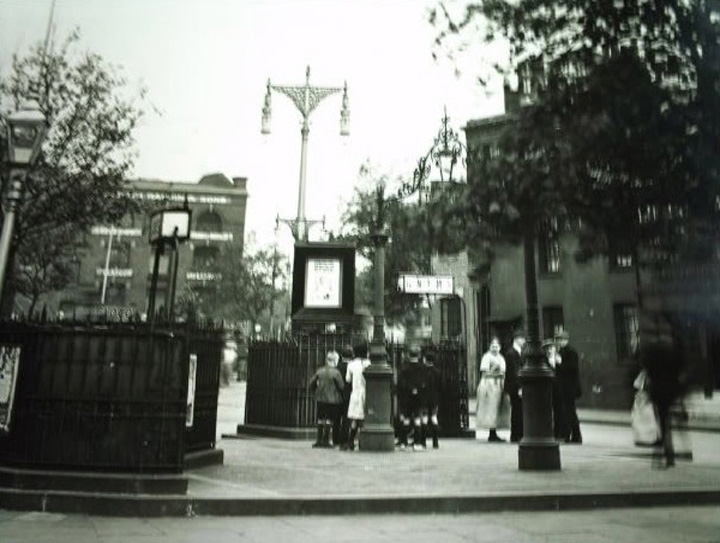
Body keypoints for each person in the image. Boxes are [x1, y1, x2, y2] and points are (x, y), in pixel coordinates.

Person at [639, 310, 686, 468]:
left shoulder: (653, 350)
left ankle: (665, 453)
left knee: (663, 422)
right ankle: (670, 453)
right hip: (673, 390)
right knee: (669, 422)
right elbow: (681, 368)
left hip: (659, 391)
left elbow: (647, 368)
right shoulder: (675, 348)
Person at [308, 350, 344, 448]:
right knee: (329, 419)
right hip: (333, 399)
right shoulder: (336, 373)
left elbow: (311, 383)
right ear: (335, 360)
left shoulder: (320, 371)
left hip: (320, 398)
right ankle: (326, 440)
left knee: (320, 418)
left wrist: (315, 392)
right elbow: (341, 387)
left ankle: (318, 440)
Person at [476, 337, 507, 442]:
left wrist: (498, 373)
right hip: (489, 385)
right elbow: (485, 373)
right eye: (493, 346)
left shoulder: (501, 358)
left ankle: (495, 431)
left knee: (498, 408)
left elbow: (503, 372)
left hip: (498, 384)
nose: (495, 349)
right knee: (490, 408)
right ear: (490, 347)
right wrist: (495, 371)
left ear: (500, 347)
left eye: (497, 346)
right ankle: (491, 432)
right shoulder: (486, 357)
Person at [397, 344, 428, 451]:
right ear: (419, 355)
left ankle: (403, 443)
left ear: (408, 355)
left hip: (406, 398)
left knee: (405, 420)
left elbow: (401, 384)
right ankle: (417, 443)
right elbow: (425, 383)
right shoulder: (423, 368)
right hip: (418, 398)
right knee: (417, 420)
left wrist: (407, 391)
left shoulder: (404, 368)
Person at [556, 330, 583, 443]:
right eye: (559, 340)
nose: (560, 342)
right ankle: (571, 435)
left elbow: (572, 368)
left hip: (569, 388)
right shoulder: (561, 351)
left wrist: (560, 362)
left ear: (566, 340)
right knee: (567, 412)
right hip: (565, 387)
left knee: (569, 412)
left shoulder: (571, 352)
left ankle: (574, 436)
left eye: (562, 340)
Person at [345, 343, 371, 451]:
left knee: (355, 418)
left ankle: (350, 441)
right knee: (365, 418)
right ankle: (363, 441)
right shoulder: (369, 363)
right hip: (367, 392)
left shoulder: (351, 364)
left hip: (355, 392)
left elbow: (348, 379)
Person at [543, 338, 567, 442]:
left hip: (558, 389)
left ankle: (559, 433)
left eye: (551, 348)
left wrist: (560, 364)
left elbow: (564, 373)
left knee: (559, 411)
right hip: (547, 389)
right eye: (547, 348)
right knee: (547, 412)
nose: (549, 350)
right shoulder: (544, 360)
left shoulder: (559, 359)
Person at [504, 329, 526, 443]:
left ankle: (518, 434)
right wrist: (519, 388)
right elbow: (514, 372)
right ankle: (516, 435)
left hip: (517, 386)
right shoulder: (511, 353)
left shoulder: (519, 352)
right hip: (515, 387)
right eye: (522, 339)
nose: (524, 341)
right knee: (517, 411)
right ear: (517, 339)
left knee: (519, 411)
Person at [423, 348, 442, 449]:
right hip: (434, 398)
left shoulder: (422, 371)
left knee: (425, 418)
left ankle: (423, 441)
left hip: (425, 398)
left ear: (425, 359)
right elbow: (440, 386)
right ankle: (435, 442)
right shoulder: (437, 372)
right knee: (434, 418)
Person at [334, 345, 353, 448]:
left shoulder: (337, 367)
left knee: (336, 418)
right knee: (346, 419)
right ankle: (344, 439)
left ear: (341, 355)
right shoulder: (352, 367)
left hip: (337, 395)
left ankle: (335, 439)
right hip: (348, 394)